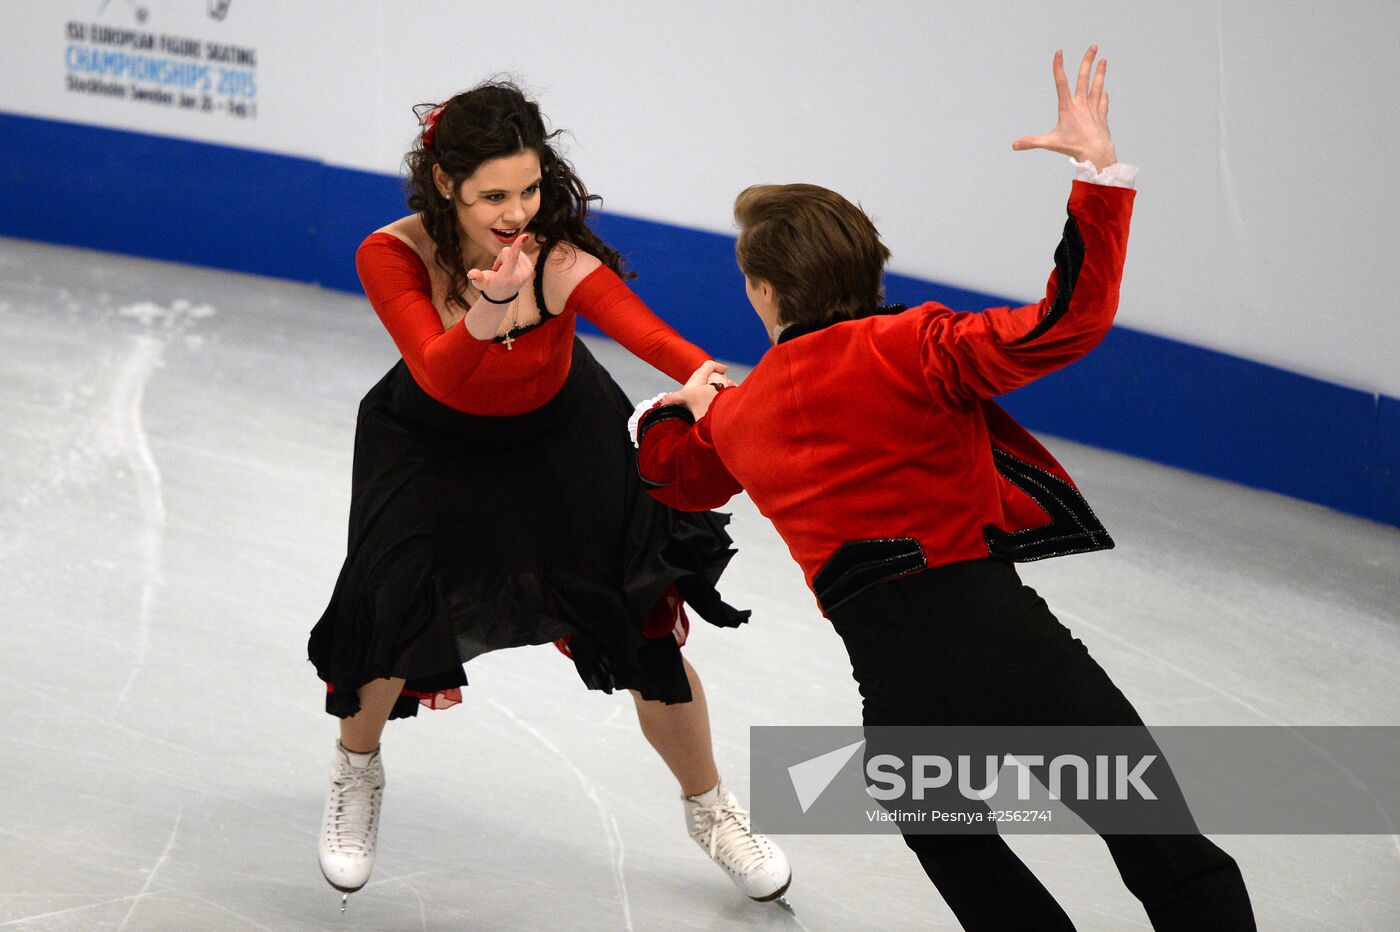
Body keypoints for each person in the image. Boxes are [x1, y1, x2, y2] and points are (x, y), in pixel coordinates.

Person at [632, 47, 1256, 929]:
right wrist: (1097, 175)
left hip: (898, 682)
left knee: (956, 846)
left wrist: (673, 409)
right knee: (1164, 848)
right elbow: (1067, 320)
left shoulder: (739, 416)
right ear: (867, 269)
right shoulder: (918, 345)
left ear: (764, 291)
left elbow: (674, 477)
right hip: (1013, 646)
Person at [306, 80, 790, 904]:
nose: (516, 211)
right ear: (446, 183)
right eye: (493, 194)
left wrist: (713, 380)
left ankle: (711, 811)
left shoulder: (554, 254)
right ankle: (358, 772)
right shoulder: (392, 254)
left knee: (640, 628)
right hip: (430, 444)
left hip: (563, 436)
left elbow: (641, 327)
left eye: (529, 188)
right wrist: (491, 305)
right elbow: (441, 372)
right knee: (388, 615)